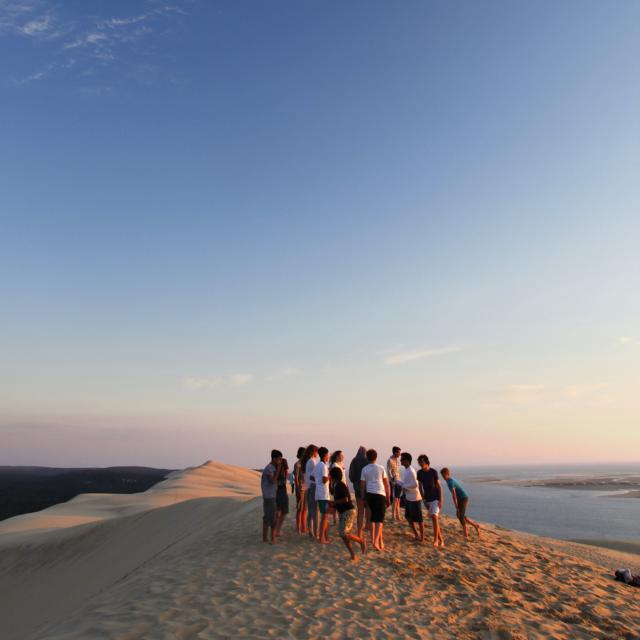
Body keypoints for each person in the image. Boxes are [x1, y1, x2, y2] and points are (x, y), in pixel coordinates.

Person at [330, 466, 366, 561]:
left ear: (333, 476)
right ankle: (353, 554)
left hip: (348, 512)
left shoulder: (341, 485)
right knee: (344, 536)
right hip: (343, 512)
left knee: (343, 533)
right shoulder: (336, 485)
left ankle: (360, 541)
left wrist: (334, 503)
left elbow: (345, 499)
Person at [359, 449, 390, 551]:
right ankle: (376, 541)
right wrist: (389, 497)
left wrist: (363, 497)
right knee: (379, 520)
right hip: (380, 494)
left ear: (367, 458)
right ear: (376, 457)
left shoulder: (364, 469)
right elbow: (386, 484)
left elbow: (362, 484)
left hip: (369, 494)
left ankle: (374, 540)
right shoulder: (381, 468)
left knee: (372, 518)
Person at [440, 467, 481, 538]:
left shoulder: (450, 482)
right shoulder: (448, 480)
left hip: (463, 498)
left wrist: (456, 506)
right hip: (461, 498)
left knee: (460, 515)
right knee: (460, 515)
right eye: (442, 476)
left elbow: (454, 496)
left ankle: (466, 534)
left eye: (444, 475)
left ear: (448, 474)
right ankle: (476, 526)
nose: (443, 477)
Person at [417, 454, 445, 547]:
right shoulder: (419, 473)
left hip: (436, 498)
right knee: (434, 519)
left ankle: (436, 540)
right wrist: (423, 499)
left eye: (422, 462)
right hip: (427, 499)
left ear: (426, 462)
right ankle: (442, 540)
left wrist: (441, 500)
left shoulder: (433, 472)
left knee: (434, 517)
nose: (420, 463)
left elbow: (439, 486)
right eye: (419, 462)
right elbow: (420, 487)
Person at [398, 452, 425, 542]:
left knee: (419, 519)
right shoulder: (406, 470)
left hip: (415, 498)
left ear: (407, 461)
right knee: (408, 517)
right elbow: (405, 484)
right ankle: (416, 534)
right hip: (408, 498)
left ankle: (422, 538)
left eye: (402, 459)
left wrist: (404, 486)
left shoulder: (411, 471)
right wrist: (397, 481)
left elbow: (415, 484)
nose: (400, 461)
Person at [261, 449, 283, 544]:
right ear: (274, 459)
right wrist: (278, 470)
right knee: (272, 518)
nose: (280, 461)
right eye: (279, 459)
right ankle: (272, 538)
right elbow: (272, 481)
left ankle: (265, 538)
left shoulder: (272, 468)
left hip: (271, 496)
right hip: (269, 497)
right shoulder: (269, 468)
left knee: (267, 517)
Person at [348, 446, 369, 537]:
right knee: (368, 509)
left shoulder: (354, 460)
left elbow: (351, 475)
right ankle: (368, 526)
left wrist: (355, 482)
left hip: (357, 488)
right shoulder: (367, 460)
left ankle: (359, 532)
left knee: (360, 511)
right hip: (367, 488)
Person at [312, 447, 331, 543]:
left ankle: (326, 536)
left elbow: (312, 477)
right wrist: (330, 474)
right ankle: (321, 538)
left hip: (319, 492)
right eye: (328, 454)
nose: (328, 456)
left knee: (325, 516)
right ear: (325, 455)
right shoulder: (323, 466)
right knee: (325, 516)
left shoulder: (318, 465)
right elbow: (324, 480)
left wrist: (317, 480)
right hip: (323, 493)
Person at [304, 445, 319, 538]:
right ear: (313, 452)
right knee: (314, 511)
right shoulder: (312, 461)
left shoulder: (309, 461)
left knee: (310, 511)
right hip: (312, 487)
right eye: (316, 451)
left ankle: (310, 531)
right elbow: (313, 476)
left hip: (309, 487)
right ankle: (315, 532)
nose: (317, 453)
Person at [329, 450, 345, 524]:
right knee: (337, 503)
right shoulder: (335, 465)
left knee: (337, 502)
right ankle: (335, 519)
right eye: (341, 455)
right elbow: (333, 477)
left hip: (341, 485)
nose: (343, 457)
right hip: (338, 485)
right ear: (337, 456)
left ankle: (336, 519)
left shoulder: (339, 464)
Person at [293, 446, 306, 533]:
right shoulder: (297, 464)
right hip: (300, 489)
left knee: (305, 509)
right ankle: (298, 528)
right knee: (299, 508)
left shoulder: (306, 464)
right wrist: (297, 489)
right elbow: (296, 478)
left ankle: (304, 527)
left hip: (306, 488)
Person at [386, 446, 402, 521]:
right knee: (395, 499)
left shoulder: (397, 460)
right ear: (395, 452)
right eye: (399, 452)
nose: (400, 454)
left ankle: (398, 515)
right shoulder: (390, 460)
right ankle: (393, 516)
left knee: (398, 499)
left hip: (399, 480)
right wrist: (392, 481)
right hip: (394, 482)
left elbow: (397, 471)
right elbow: (389, 472)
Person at [275, 457, 289, 537]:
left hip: (282, 490)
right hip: (279, 491)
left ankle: (278, 529)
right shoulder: (274, 466)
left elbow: (286, 474)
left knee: (283, 511)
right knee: (279, 511)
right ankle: (277, 530)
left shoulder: (283, 462)